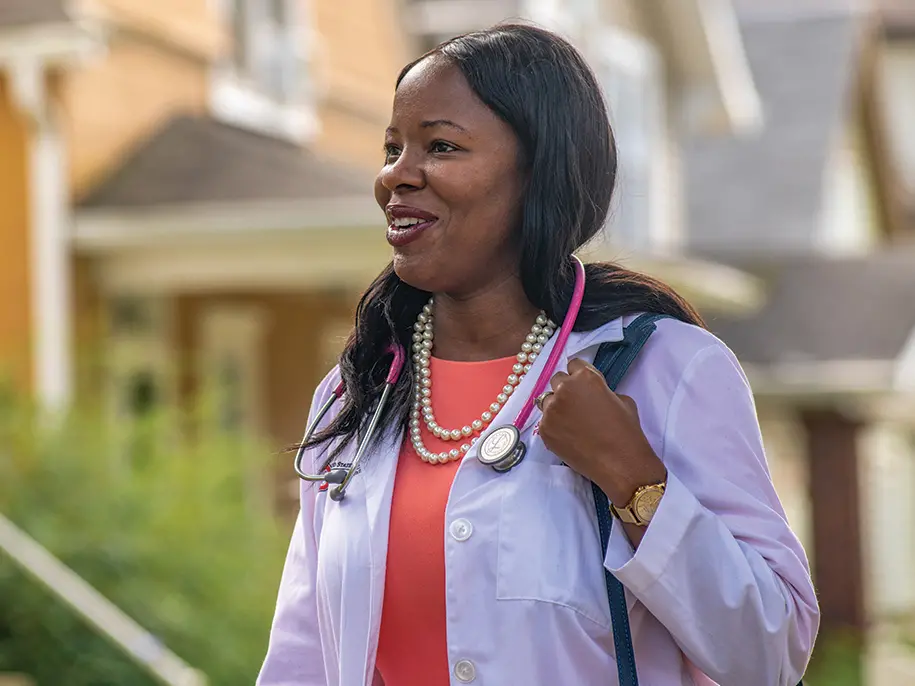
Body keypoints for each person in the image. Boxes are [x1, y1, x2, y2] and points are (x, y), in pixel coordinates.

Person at [257, 23, 819, 686]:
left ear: (540, 171)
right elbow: (304, 658)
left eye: (440, 146)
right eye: (391, 147)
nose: (395, 177)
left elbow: (769, 653)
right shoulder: (356, 395)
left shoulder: (663, 368)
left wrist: (637, 485)